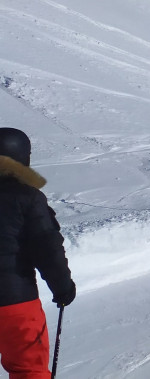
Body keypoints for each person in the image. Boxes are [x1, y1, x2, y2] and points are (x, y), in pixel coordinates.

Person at [0, 128, 75, 379]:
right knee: (28, 369)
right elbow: (46, 245)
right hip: (15, 302)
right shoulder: (28, 197)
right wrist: (62, 287)